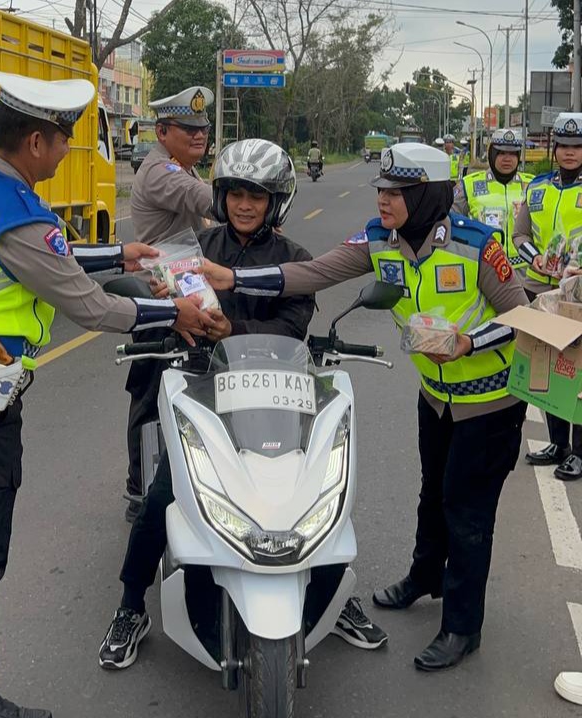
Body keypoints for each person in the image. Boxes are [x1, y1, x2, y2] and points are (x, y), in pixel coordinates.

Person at [0, 67, 213, 718]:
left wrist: (118, 251)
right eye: (63, 139)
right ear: (34, 141)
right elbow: (86, 304)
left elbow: (39, 260)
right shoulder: (19, 213)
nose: (68, 151)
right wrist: (170, 309)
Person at [199, 142, 529, 671]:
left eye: (397, 192)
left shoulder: (476, 245)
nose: (383, 200)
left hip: (490, 403)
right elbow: (314, 273)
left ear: (427, 196)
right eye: (381, 189)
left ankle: (463, 627)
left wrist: (468, 343)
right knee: (432, 493)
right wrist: (233, 278)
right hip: (437, 398)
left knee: (467, 513)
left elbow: (522, 316)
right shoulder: (381, 242)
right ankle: (426, 575)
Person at [98, 139, 388, 670]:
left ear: (276, 199)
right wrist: (168, 310)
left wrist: (238, 328)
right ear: (221, 196)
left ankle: (332, 595)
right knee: (165, 492)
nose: (244, 205)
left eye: (257, 194)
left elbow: (294, 328)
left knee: (317, 489)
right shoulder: (196, 248)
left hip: (280, 392)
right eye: (234, 193)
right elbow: (167, 300)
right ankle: (129, 605)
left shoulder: (296, 261)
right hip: (206, 389)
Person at [124, 86, 216, 521]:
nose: (200, 135)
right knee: (149, 393)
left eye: (203, 128)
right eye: (188, 128)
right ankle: (138, 487)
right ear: (162, 131)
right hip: (159, 299)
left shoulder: (185, 168)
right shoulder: (162, 172)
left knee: (189, 387)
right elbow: (205, 202)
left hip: (186, 290)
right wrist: (248, 196)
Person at [514, 112, 582, 480]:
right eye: (565, 146)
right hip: (541, 289)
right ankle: (560, 443)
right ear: (555, 148)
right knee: (550, 370)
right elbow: (520, 235)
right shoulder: (537, 188)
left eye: (577, 146)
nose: (570, 153)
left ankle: (581, 452)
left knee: (580, 374)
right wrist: (536, 258)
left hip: (579, 297)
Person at [453, 128, 535, 278]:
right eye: (501, 153)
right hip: (484, 269)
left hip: (526, 272)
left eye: (512, 153)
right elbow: (452, 223)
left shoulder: (532, 185)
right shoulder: (469, 185)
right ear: (492, 154)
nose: (507, 159)